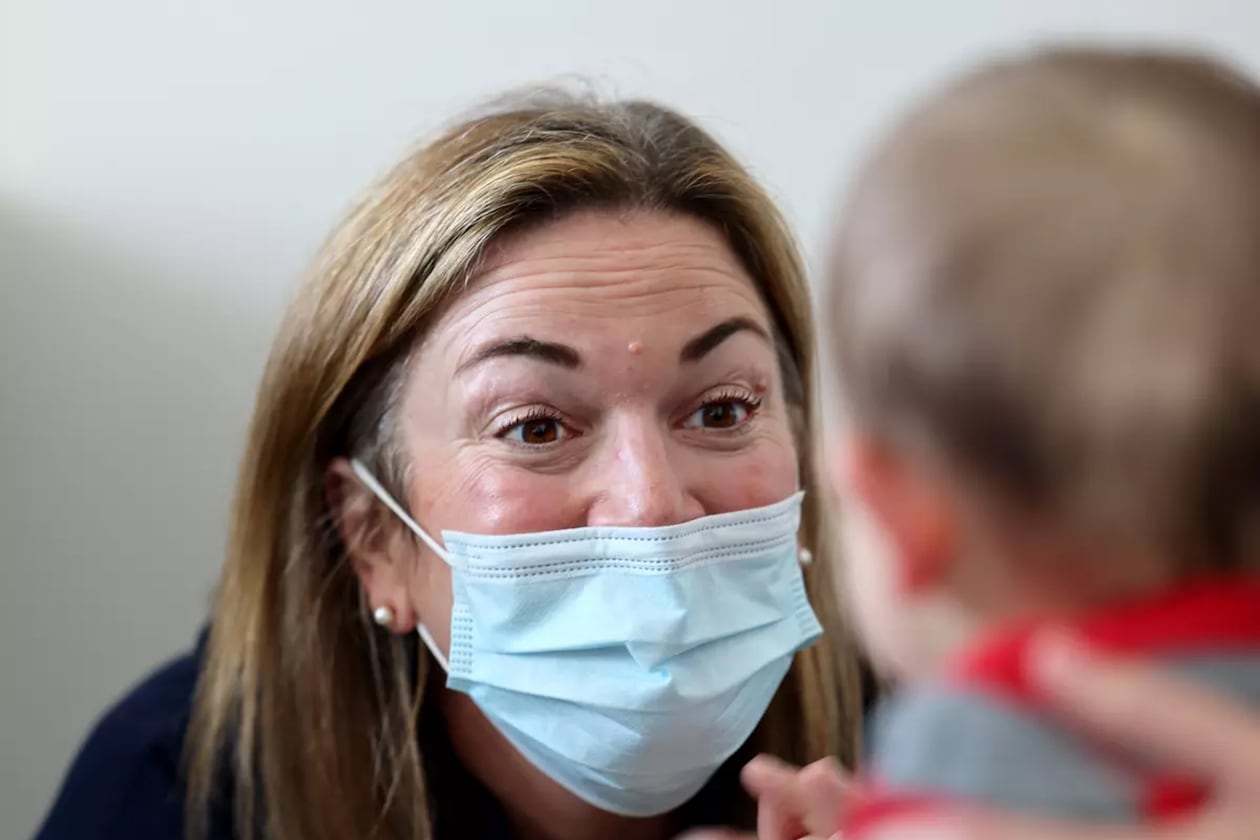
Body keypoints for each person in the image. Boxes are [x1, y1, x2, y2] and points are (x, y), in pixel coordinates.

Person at [34, 93, 866, 840]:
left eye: (722, 411)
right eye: (535, 426)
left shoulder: (933, 743)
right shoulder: (171, 796)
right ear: (371, 539)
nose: (650, 504)